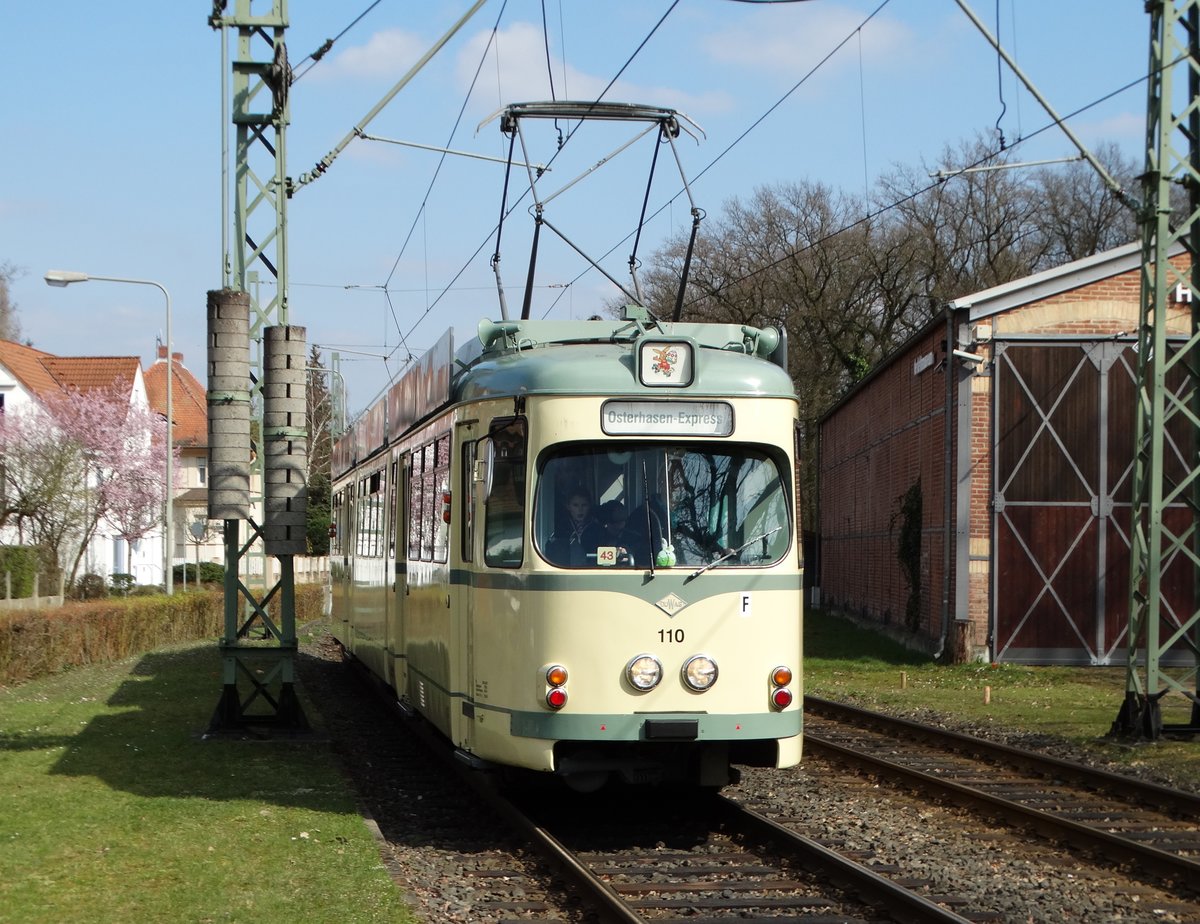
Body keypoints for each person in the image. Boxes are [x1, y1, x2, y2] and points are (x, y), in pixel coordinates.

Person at [547, 488, 604, 567]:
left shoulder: (598, 529)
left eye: (584, 505)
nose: (580, 510)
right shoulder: (560, 528)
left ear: (589, 506)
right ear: (568, 506)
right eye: (575, 505)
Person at [599, 500, 644, 566]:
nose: (621, 522)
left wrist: (627, 553)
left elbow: (641, 561)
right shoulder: (597, 537)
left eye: (623, 518)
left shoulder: (635, 539)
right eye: (617, 520)